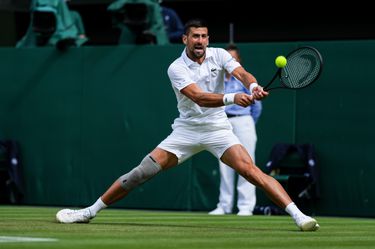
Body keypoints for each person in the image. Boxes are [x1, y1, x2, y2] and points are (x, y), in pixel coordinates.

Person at [55, 18, 319, 231]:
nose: (200, 41)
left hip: (218, 130)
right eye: (195, 36)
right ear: (185, 39)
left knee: (251, 171)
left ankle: (299, 216)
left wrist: (251, 85)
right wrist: (233, 98)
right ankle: (89, 212)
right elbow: (198, 97)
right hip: (187, 130)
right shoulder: (176, 67)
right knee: (141, 172)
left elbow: (240, 72)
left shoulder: (219, 55)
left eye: (204, 36)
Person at [209, 44, 261, 216]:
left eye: (234, 58)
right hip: (223, 124)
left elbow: (257, 108)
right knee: (225, 165)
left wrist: (247, 123)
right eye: (228, 58)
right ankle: (224, 205)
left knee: (247, 163)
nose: (230, 61)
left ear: (238, 61)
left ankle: (246, 207)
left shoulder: (244, 79)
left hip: (243, 122)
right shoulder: (217, 79)